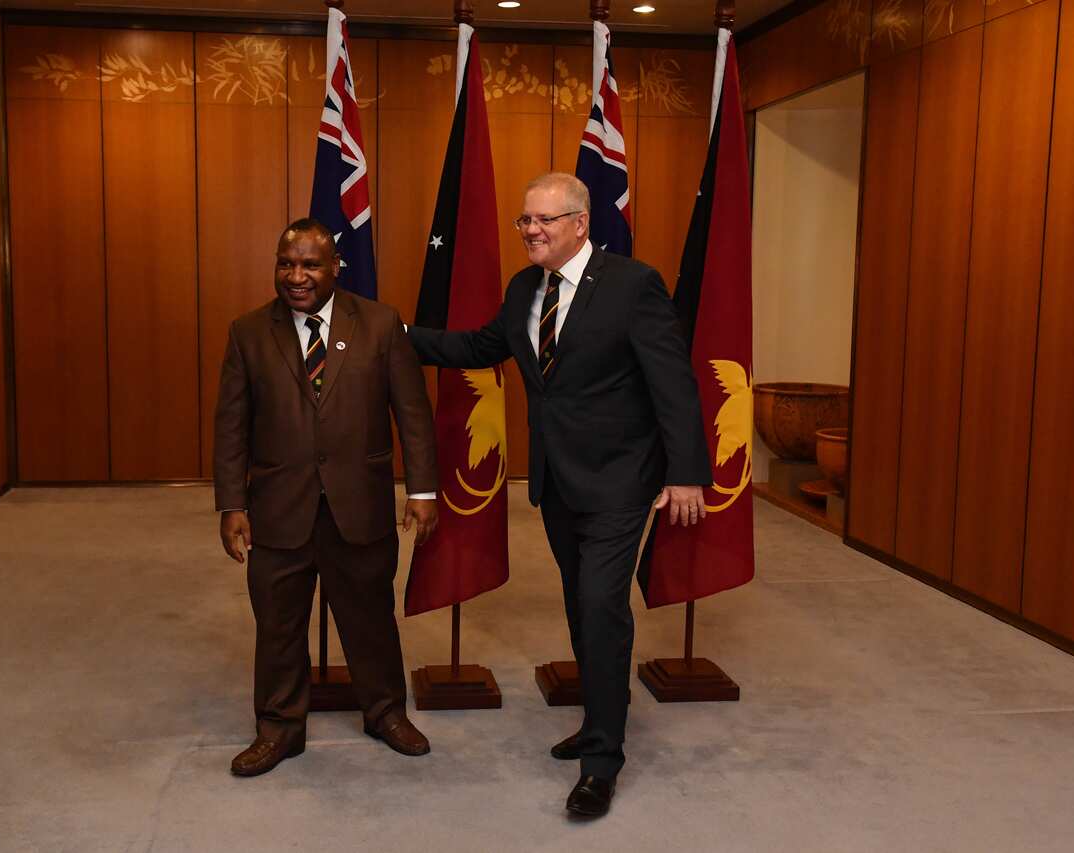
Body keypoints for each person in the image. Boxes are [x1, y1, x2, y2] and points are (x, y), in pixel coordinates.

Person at [407, 173, 712, 817]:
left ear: (580, 223)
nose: (531, 231)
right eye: (524, 221)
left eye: (544, 220)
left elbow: (674, 384)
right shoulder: (526, 288)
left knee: (603, 606)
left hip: (621, 480)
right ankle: (597, 718)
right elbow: (478, 347)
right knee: (581, 606)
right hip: (557, 481)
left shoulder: (633, 285)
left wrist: (686, 473)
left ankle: (603, 760)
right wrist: (396, 335)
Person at [214, 218, 439, 777]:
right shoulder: (247, 332)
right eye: (286, 263)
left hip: (358, 505)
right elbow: (231, 427)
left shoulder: (382, 324)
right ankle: (279, 728)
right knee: (278, 624)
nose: (296, 276)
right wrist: (231, 505)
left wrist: (423, 488)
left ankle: (386, 712)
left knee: (370, 619)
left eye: (310, 265)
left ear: (335, 267)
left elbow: (411, 414)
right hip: (278, 509)